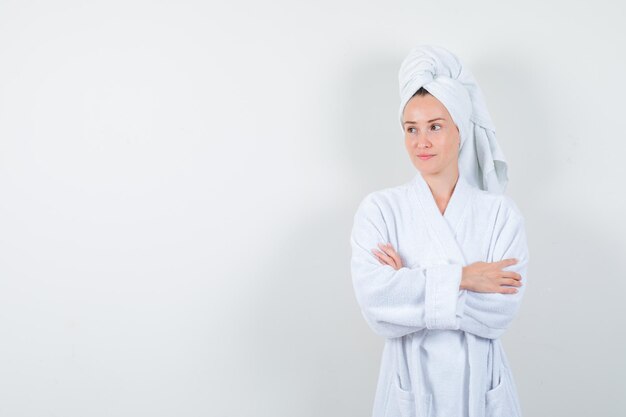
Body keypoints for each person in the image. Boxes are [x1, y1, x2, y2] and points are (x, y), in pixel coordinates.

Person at [350, 45, 529, 417]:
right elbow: (376, 306)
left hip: (480, 388)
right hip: (409, 388)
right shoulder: (380, 210)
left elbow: (501, 312)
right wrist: (465, 278)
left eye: (435, 126)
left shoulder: (499, 214)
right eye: (411, 129)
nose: (422, 142)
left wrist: (409, 283)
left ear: (460, 130)